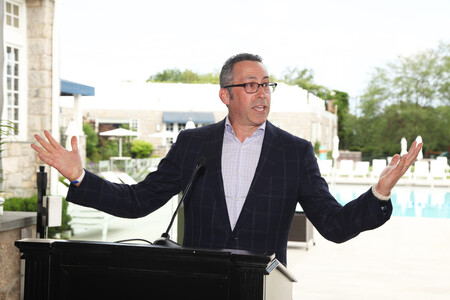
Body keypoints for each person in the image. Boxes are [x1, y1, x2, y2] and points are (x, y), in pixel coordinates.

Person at [32, 53, 422, 265]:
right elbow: (139, 201)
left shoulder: (294, 152)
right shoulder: (192, 144)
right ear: (226, 95)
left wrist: (379, 193)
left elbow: (334, 225)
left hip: (263, 286)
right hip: (199, 285)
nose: (262, 93)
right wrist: (80, 175)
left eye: (267, 85)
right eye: (251, 85)